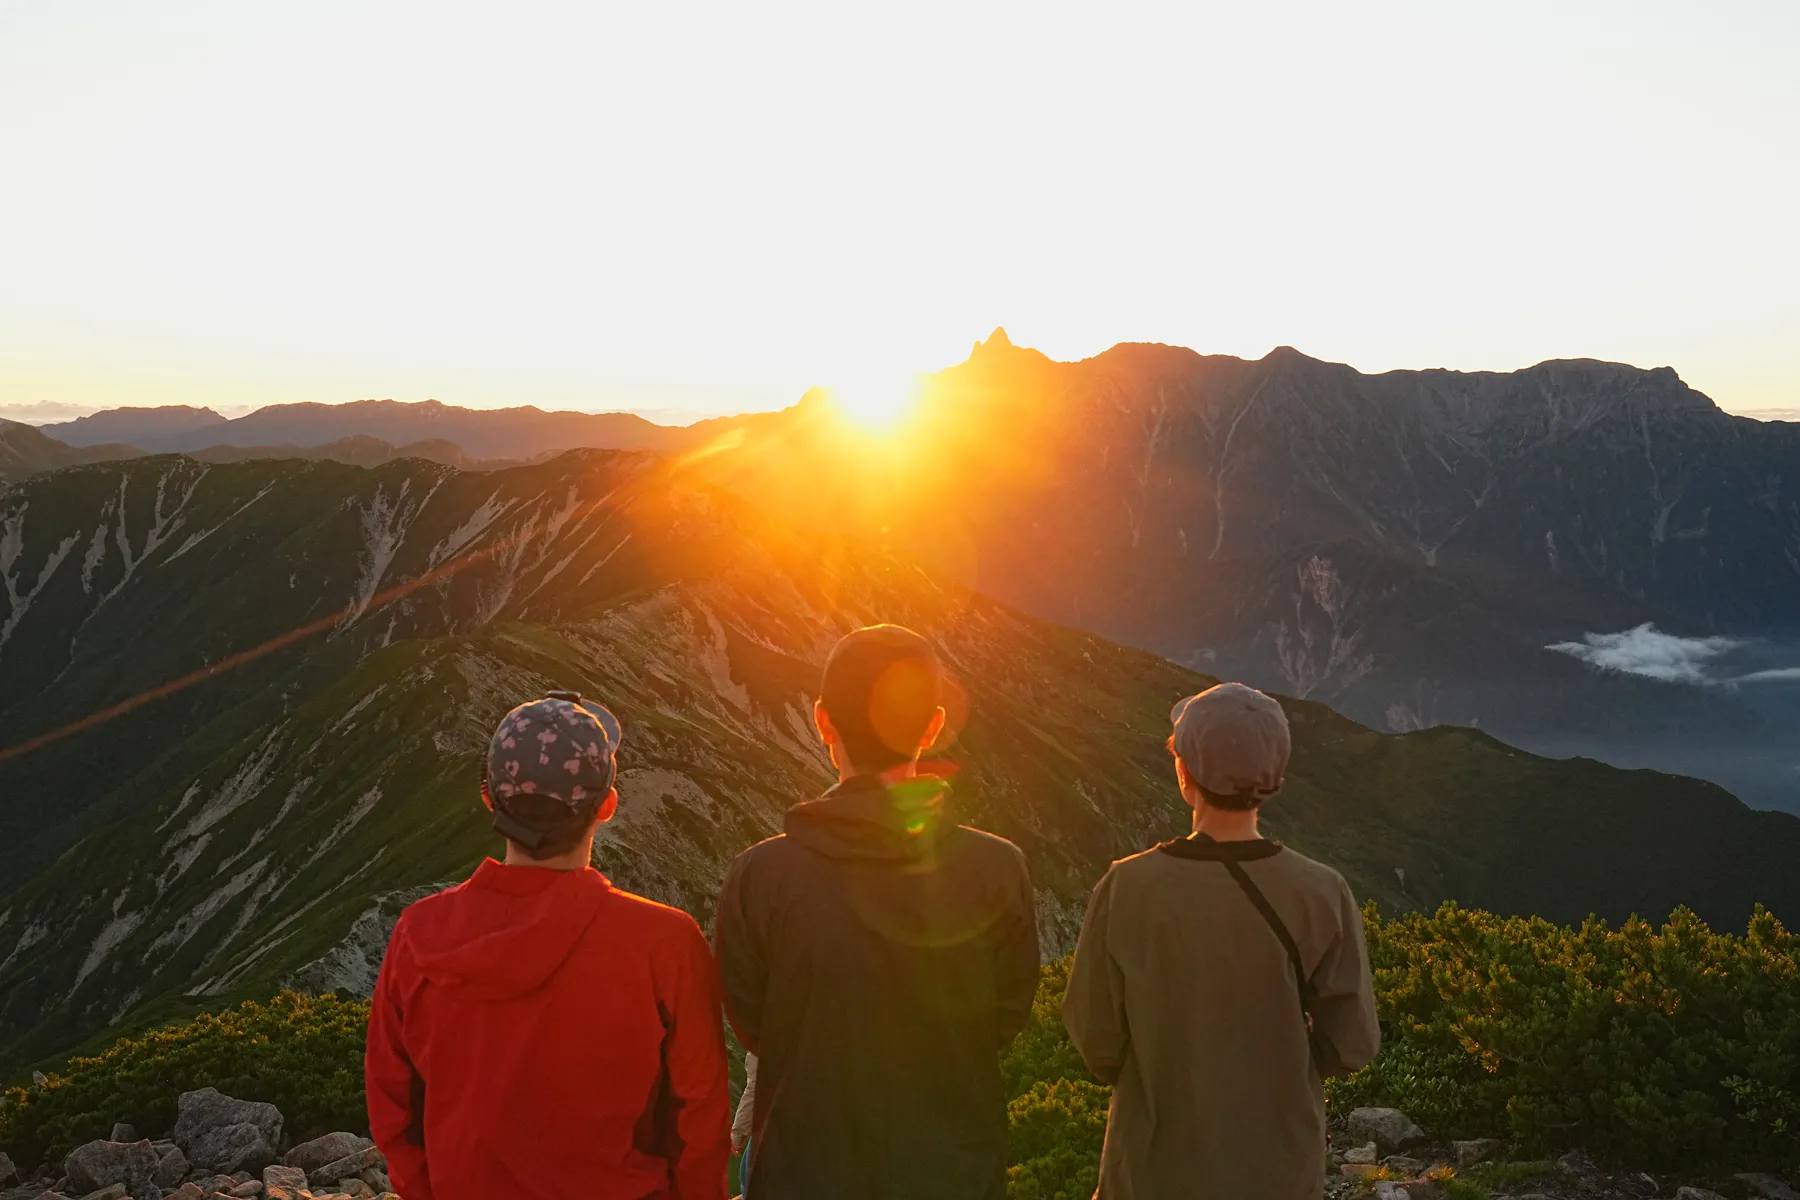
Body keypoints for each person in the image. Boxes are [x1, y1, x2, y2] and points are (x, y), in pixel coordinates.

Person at [714, 624, 1040, 1200]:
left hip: (803, 1176)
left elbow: (754, 1023)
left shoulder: (760, 876)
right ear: (935, 725)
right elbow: (1003, 1018)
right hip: (953, 1174)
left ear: (821, 721)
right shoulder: (998, 869)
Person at [366, 691, 731, 1200]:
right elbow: (701, 1119)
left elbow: (392, 1108)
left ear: (489, 798)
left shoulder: (417, 933)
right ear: (608, 804)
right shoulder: (666, 942)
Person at [1062, 682, 1380, 1199]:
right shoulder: (1323, 892)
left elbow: (1095, 1038)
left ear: (1183, 774)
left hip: (1151, 1169)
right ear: (1274, 779)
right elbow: (1352, 1045)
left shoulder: (1126, 887)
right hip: (1278, 1170)